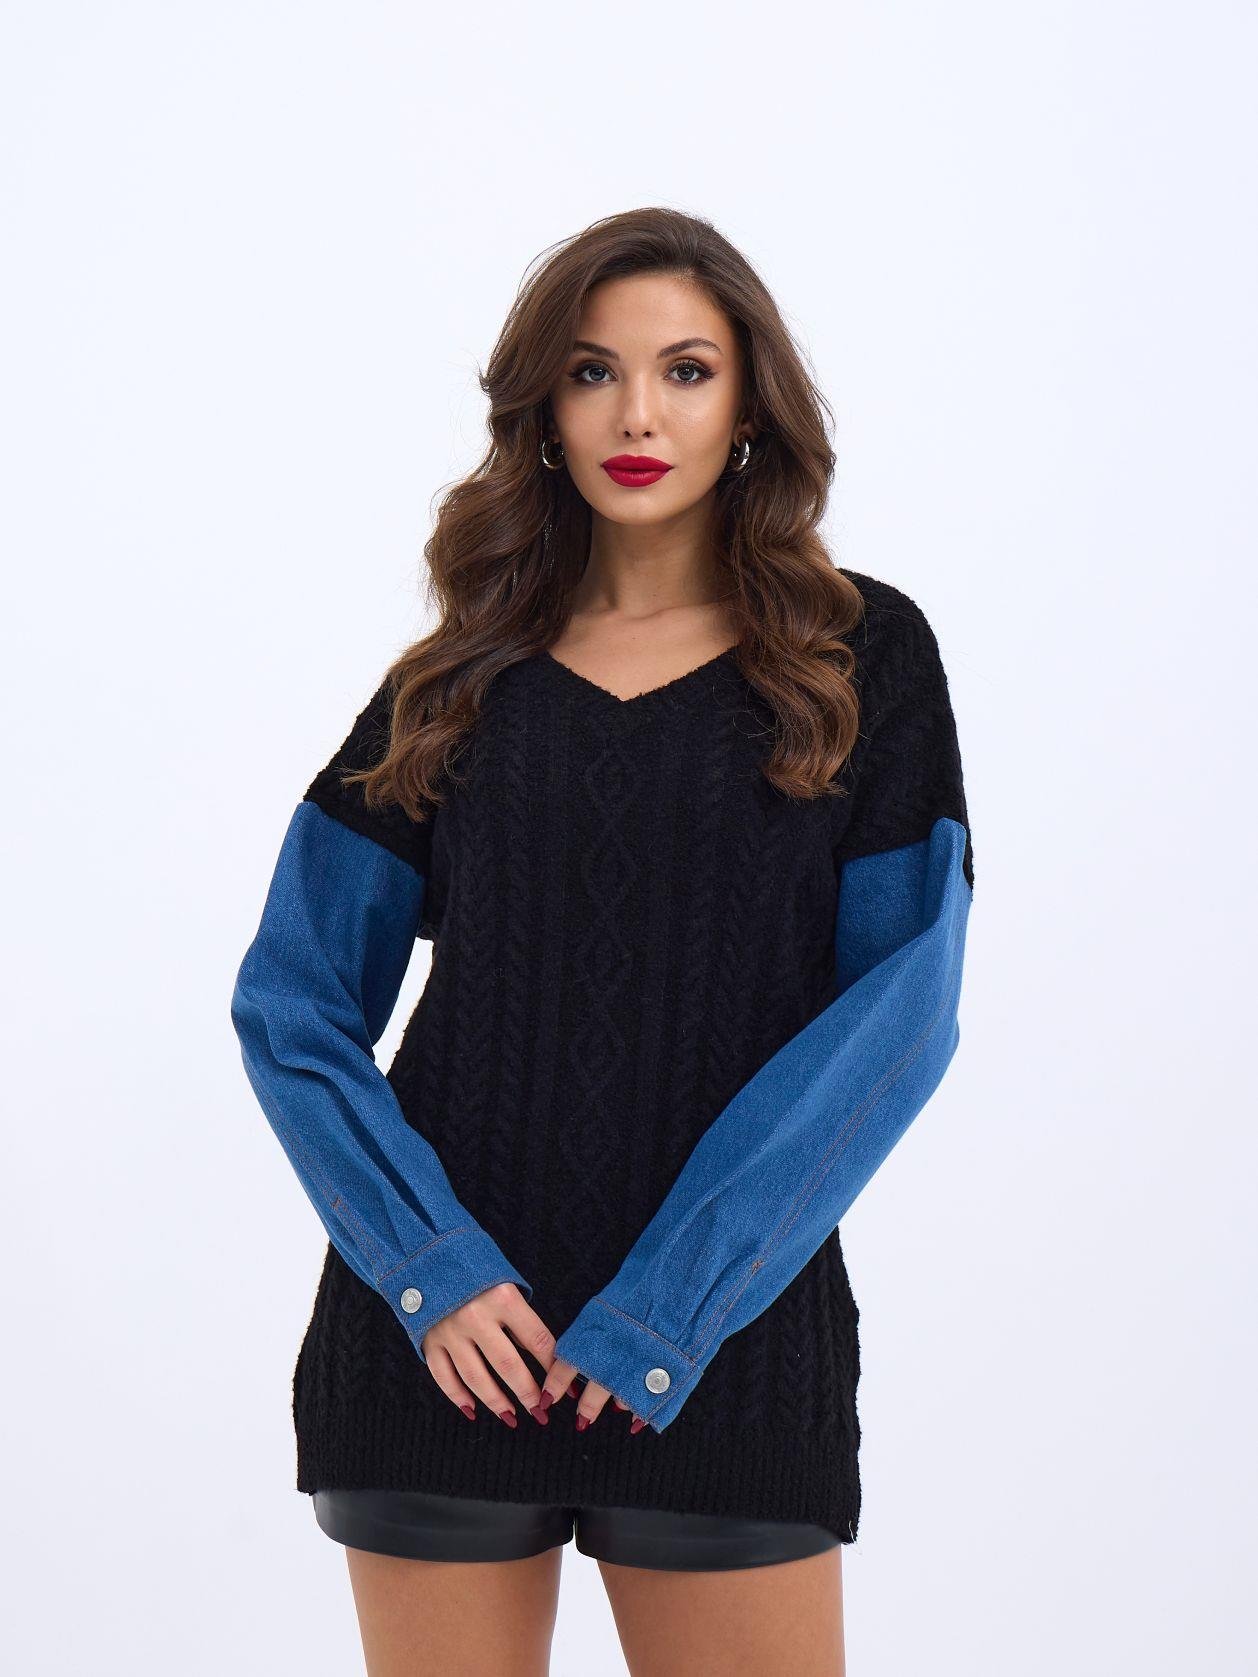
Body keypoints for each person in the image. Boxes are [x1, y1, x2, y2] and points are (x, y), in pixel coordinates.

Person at [230, 205, 974, 1677]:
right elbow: (292, 1004)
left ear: (750, 402)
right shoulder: (454, 677)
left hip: (730, 1347)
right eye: (591, 371)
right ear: (543, 408)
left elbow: (900, 1013)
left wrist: (670, 1306)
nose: (637, 414)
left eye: (685, 370)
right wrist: (428, 1267)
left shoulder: (859, 657)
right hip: (444, 1353)